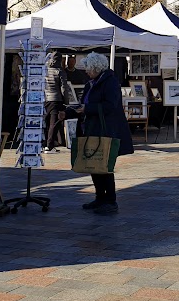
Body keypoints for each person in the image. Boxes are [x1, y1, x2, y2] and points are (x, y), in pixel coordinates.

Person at [62, 52, 134, 215]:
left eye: (88, 68)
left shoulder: (110, 82)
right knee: (94, 164)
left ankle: (111, 201)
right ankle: (100, 197)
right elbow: (84, 105)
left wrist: (88, 109)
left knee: (104, 166)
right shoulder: (91, 83)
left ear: (96, 68)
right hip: (91, 128)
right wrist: (68, 113)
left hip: (106, 129)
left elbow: (110, 105)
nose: (86, 71)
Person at [43, 51, 68, 152]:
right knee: (54, 123)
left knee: (45, 123)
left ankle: (43, 144)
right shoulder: (60, 71)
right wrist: (66, 101)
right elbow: (64, 88)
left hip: (45, 99)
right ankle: (50, 146)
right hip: (56, 99)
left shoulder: (45, 71)